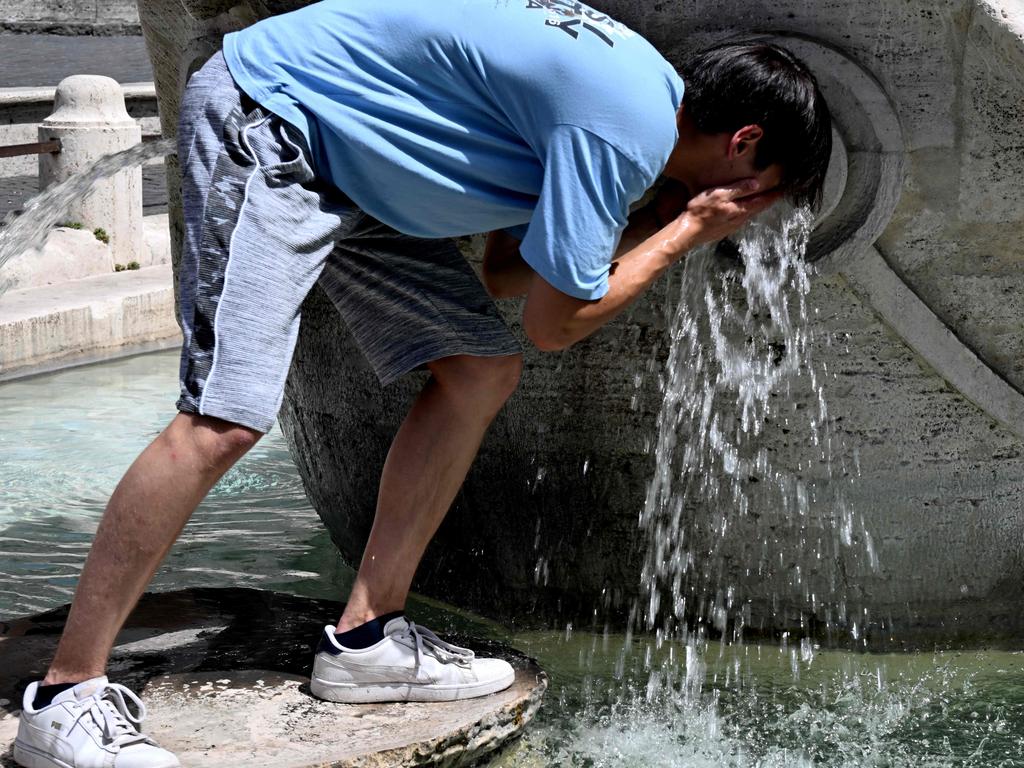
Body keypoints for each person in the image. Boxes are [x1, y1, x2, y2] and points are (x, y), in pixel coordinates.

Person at [13, 1, 831, 765]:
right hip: (275, 125)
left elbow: (511, 274)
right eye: (768, 194)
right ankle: (65, 698)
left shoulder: (639, 95)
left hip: (359, 164)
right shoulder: (625, 131)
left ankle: (367, 641)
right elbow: (556, 326)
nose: (758, 216)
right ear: (744, 144)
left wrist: (648, 222)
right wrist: (686, 229)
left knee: (480, 367)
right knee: (223, 418)